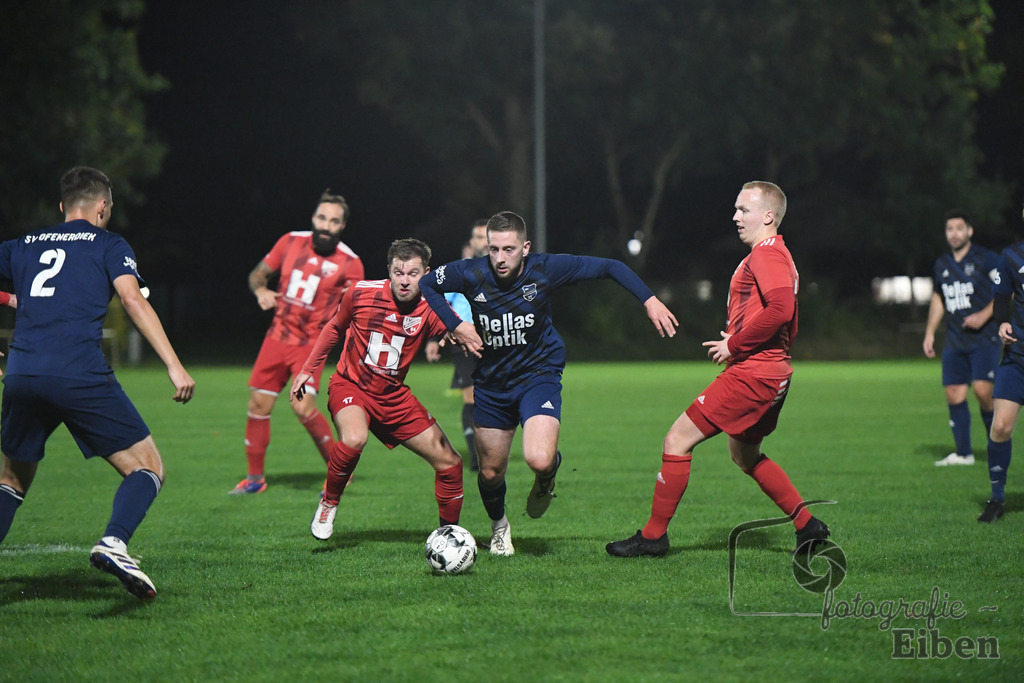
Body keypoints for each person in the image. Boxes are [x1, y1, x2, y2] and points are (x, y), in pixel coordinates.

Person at [419, 211, 677, 556]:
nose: (499, 258)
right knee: (491, 471)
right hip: (493, 384)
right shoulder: (471, 272)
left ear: (525, 247)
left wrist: (649, 299)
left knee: (539, 458)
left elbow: (611, 266)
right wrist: (454, 324)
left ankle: (547, 477)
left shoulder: (546, 268)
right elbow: (427, 284)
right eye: (493, 249)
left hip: (538, 375)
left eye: (508, 249)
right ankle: (500, 528)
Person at [0, 166, 195, 599]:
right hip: (77, 373)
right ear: (103, 206)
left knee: (11, 481)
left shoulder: (22, 245)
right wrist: (174, 364)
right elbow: (131, 299)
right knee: (148, 467)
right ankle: (114, 543)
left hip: (23, 374)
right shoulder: (109, 244)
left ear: (62, 206)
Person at [606, 181, 830, 558]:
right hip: (772, 373)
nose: (735, 216)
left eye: (744, 210)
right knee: (744, 455)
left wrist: (736, 344)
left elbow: (781, 311)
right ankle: (808, 526)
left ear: (768, 216)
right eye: (736, 209)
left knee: (677, 440)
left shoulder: (765, 255)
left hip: (754, 374)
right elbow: (781, 317)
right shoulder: (781, 254)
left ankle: (653, 536)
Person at [290, 238, 464, 540]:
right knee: (354, 437)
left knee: (450, 462)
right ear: (389, 271)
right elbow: (334, 328)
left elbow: (456, 328)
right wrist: (307, 369)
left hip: (394, 397)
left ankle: (448, 535)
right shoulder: (360, 293)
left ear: (426, 272)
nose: (405, 280)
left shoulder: (431, 306)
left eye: (413, 273)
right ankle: (329, 502)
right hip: (351, 386)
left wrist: (456, 335)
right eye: (399, 272)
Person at [230, 190, 365, 494]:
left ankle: (340, 472)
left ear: (342, 226)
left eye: (333, 221)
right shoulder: (290, 240)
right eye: (322, 218)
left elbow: (356, 311)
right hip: (276, 337)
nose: (326, 225)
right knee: (258, 404)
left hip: (310, 344)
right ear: (313, 218)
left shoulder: (351, 263)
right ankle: (255, 481)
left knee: (302, 407)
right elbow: (257, 275)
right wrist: (261, 291)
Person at [922, 210, 1000, 467]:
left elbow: (1005, 291)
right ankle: (964, 454)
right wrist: (930, 332)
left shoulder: (986, 259)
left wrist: (983, 315)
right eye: (949, 229)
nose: (954, 233)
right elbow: (938, 298)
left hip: (983, 339)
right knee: (954, 394)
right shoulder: (942, 264)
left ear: (970, 230)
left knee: (982, 391)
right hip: (955, 341)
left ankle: (997, 446)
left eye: (959, 228)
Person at [425, 219, 488, 470]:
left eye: (487, 237)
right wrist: (433, 338)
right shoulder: (458, 271)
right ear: (472, 243)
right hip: (462, 341)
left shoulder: (503, 272)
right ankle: (475, 457)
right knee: (470, 398)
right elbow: (437, 300)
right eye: (478, 238)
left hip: (493, 340)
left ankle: (489, 448)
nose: (483, 242)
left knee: (493, 399)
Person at [980, 201, 1024, 522]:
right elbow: (1000, 302)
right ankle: (997, 498)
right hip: (1017, 358)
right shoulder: (1010, 256)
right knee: (1000, 425)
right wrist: (1002, 323)